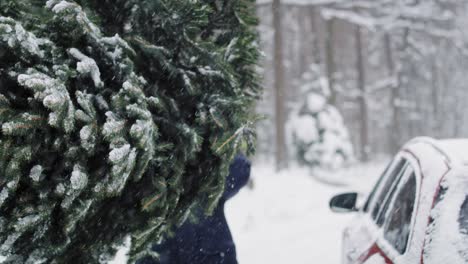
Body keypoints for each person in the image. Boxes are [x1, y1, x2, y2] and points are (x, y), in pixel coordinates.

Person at [140, 154, 251, 264]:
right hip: (165, 251)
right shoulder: (159, 168)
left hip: (212, 253)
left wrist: (209, 152)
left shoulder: (209, 177)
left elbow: (239, 169)